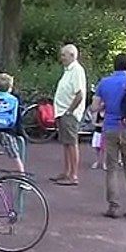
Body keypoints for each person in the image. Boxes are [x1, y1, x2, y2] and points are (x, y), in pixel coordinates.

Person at [90, 54, 126, 219]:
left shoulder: (104, 83)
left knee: (112, 168)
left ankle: (113, 206)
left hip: (110, 128)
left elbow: (94, 107)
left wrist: (105, 105)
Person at [49, 44, 87, 186]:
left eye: (64, 55)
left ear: (72, 55)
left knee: (71, 143)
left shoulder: (76, 70)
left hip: (69, 113)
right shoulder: (68, 70)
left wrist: (70, 110)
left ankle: (73, 175)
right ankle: (66, 172)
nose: (62, 58)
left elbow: (79, 94)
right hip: (63, 112)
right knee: (66, 143)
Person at [0, 74, 24, 173]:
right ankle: (21, 173)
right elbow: (16, 116)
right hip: (8, 129)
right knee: (14, 154)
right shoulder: (13, 99)